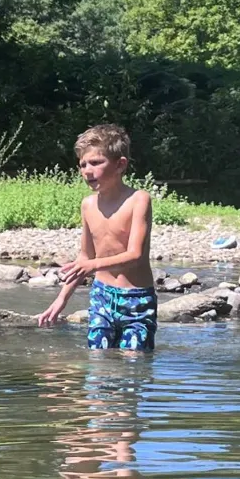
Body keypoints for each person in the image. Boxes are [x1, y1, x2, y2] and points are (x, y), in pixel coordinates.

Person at [35, 124, 157, 352]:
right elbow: (85, 257)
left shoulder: (138, 199)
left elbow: (135, 255)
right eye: (83, 165)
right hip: (102, 295)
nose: (87, 171)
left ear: (120, 165)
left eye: (96, 162)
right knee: (98, 358)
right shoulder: (88, 205)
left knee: (134, 362)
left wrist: (92, 265)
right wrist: (61, 299)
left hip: (136, 298)